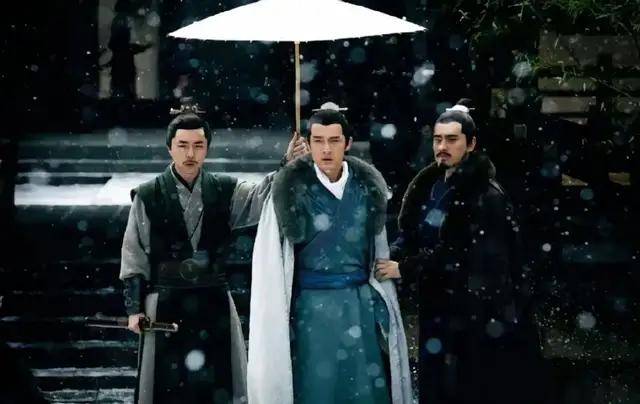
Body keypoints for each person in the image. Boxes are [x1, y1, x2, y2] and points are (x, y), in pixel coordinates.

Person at [120, 110, 308, 404]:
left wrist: (287, 165)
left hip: (214, 297)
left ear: (207, 148)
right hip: (165, 298)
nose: (190, 154)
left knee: (217, 383)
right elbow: (134, 255)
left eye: (198, 145)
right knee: (165, 387)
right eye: (182, 145)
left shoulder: (223, 189)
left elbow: (261, 197)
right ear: (169, 147)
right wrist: (134, 308)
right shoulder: (148, 195)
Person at [379, 100, 544, 403]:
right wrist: (395, 251)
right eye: (438, 139)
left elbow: (463, 254)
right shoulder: (430, 185)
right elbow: (414, 232)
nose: (442, 147)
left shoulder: (486, 195)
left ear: (471, 144)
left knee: (470, 384)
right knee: (436, 380)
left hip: (475, 308)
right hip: (436, 301)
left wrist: (405, 268)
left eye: (452, 139)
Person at [247, 103, 413, 404]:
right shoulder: (291, 190)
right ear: (308, 144)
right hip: (310, 309)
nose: (326, 149)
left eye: (334, 140)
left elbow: (377, 248)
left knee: (362, 387)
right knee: (316, 388)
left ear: (347, 143)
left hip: (359, 304)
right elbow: (272, 259)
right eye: (318, 141)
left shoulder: (367, 187)